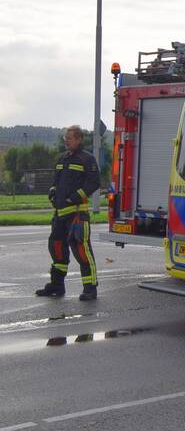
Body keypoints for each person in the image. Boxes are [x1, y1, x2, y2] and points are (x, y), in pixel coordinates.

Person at [35, 125, 100, 301]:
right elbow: (56, 181)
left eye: (69, 138)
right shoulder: (62, 159)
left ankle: (90, 288)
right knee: (56, 247)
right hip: (60, 214)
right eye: (65, 138)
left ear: (79, 139)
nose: (66, 141)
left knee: (82, 250)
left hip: (77, 214)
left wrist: (76, 196)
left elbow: (94, 182)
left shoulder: (87, 159)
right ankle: (57, 285)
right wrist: (53, 190)